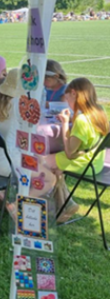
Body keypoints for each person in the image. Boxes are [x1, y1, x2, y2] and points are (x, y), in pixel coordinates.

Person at [41, 78, 109, 223]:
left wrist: (65, 124)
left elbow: (69, 153)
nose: (68, 104)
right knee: (56, 168)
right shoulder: (100, 111)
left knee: (41, 161)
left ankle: (44, 204)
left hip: (84, 163)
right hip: (95, 161)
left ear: (73, 93)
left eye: (67, 98)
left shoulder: (82, 120)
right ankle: (66, 203)